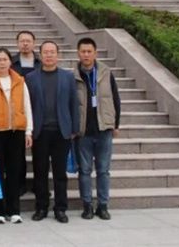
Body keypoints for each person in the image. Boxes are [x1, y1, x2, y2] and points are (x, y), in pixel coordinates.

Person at [26, 41, 80, 224]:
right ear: (40, 55)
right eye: (45, 52)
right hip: (40, 132)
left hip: (61, 132)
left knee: (60, 173)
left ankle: (60, 208)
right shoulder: (31, 78)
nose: (49, 55)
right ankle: (41, 207)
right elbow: (27, 105)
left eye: (52, 52)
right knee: (40, 172)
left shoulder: (67, 77)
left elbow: (74, 103)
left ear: (58, 55)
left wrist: (74, 128)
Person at [0, 47, 32, 224]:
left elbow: (27, 106)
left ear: (10, 61)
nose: (2, 63)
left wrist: (29, 130)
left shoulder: (20, 81)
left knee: (14, 172)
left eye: (5, 59)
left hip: (16, 132)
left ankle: (14, 210)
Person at [74, 37, 121, 221]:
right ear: (78, 53)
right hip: (83, 131)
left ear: (95, 53)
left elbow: (115, 99)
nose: (86, 54)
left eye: (89, 51)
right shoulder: (73, 75)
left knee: (103, 170)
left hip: (104, 129)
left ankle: (103, 205)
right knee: (84, 170)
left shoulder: (106, 73)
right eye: (83, 51)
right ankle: (87, 205)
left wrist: (115, 124)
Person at [11, 30, 39, 197]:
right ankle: (20, 184)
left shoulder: (40, 62)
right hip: (17, 110)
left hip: (38, 108)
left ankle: (39, 184)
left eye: (28, 41)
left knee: (40, 152)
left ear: (34, 43)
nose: (25, 44)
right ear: (17, 44)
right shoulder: (11, 63)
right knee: (18, 152)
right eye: (22, 41)